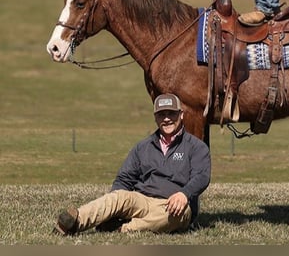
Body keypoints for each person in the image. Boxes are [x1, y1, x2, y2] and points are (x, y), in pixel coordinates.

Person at [54, 93, 211, 235]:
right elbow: (124, 178)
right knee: (118, 197)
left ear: (181, 115)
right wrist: (116, 208)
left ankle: (124, 229)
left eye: (171, 113)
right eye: (161, 114)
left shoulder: (196, 146)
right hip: (142, 200)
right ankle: (74, 222)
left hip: (174, 206)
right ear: (155, 117)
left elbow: (202, 176)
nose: (167, 118)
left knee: (171, 215)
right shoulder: (143, 147)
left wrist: (184, 194)